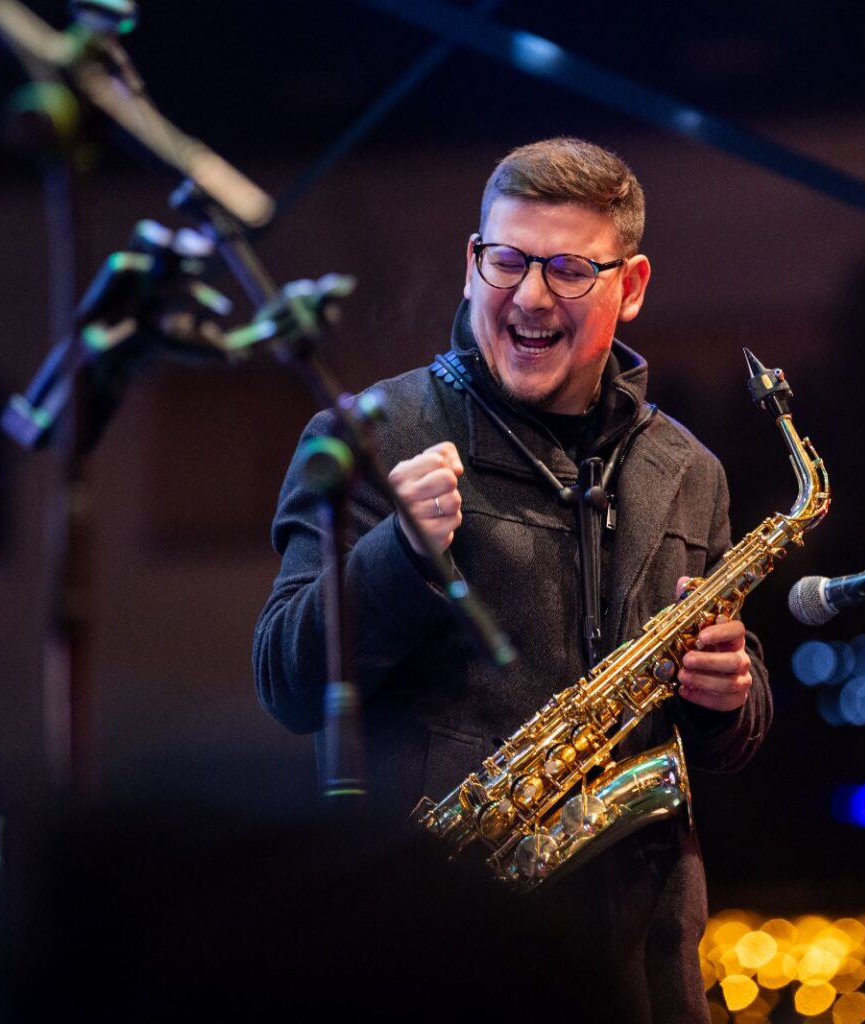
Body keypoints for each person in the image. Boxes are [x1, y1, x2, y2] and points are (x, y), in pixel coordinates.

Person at [252, 137, 770, 1023]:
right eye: (508, 261)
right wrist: (398, 554)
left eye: (568, 269)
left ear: (631, 286)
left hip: (643, 977)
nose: (530, 295)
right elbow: (285, 682)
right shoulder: (370, 434)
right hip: (442, 960)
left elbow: (727, 738)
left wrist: (733, 693)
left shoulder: (691, 472)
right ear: (471, 264)